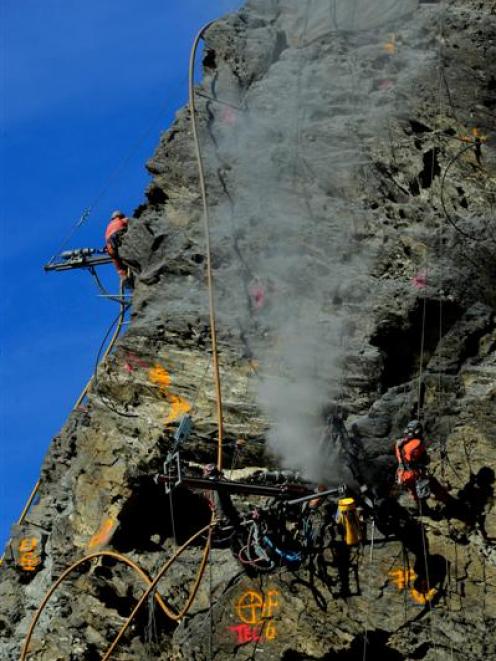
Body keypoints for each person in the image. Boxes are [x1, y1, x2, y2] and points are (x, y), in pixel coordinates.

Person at [395, 420, 431, 503]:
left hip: (401, 474)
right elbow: (422, 460)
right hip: (411, 474)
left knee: (413, 492)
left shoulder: (400, 443)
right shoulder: (416, 443)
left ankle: (417, 504)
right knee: (428, 486)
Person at [105, 210, 129, 279]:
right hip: (119, 237)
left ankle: (122, 274)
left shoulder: (108, 227)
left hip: (110, 245)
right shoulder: (121, 220)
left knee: (115, 258)